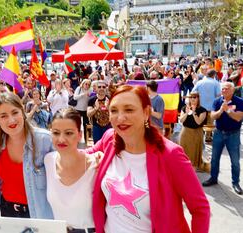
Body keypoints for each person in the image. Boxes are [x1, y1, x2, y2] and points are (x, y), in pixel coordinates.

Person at [87, 85, 210, 233]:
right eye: (114, 110)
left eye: (129, 110)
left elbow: (200, 209)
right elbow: (81, 157)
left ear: (146, 113)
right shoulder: (109, 138)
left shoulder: (171, 155)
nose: (120, 118)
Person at [0, 92, 54, 219]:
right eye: (3, 116)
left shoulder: (45, 140)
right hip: (7, 211)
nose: (11, 120)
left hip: (39, 213)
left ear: (23, 112)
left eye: (15, 112)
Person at [45, 108, 96, 232]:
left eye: (68, 133)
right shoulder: (48, 161)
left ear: (80, 135)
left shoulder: (95, 165)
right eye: (56, 133)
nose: (61, 139)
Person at [203, 82, 243, 195]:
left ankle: (235, 183)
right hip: (219, 133)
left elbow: (238, 118)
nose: (223, 91)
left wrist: (228, 110)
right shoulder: (217, 101)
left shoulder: (239, 101)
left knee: (235, 161)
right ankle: (213, 178)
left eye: (226, 89)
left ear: (232, 90)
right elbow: (212, 116)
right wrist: (221, 110)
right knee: (214, 158)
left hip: (233, 135)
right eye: (222, 89)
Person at [179, 92, 207, 171]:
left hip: (196, 132)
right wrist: (187, 113)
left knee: (194, 153)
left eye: (195, 97)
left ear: (198, 99)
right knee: (184, 150)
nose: (192, 99)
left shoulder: (202, 110)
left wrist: (194, 112)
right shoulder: (184, 108)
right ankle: (183, 169)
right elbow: (181, 120)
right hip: (185, 132)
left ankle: (192, 171)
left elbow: (198, 122)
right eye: (191, 97)